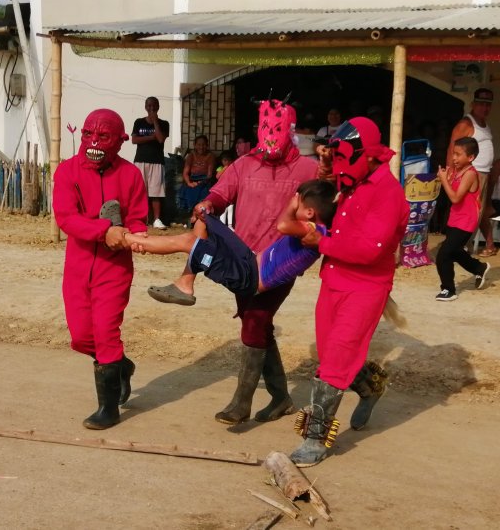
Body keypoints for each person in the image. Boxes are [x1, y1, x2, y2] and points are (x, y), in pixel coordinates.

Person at [289, 117, 408, 468]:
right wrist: (326, 173)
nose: (339, 165)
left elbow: (371, 249)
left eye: (343, 158)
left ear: (368, 156)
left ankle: (315, 439)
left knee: (337, 358)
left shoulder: (389, 193)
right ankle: (371, 386)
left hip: (366, 287)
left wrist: (322, 242)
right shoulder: (349, 184)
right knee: (330, 355)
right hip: (334, 280)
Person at [191, 99, 318, 426]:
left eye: (277, 129)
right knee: (257, 323)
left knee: (255, 319)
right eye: (265, 129)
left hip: (281, 260)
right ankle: (281, 398)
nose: (271, 136)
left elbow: (322, 210)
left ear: (290, 130)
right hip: (243, 260)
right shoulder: (244, 164)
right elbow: (221, 194)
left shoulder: (309, 170)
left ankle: (241, 402)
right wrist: (208, 203)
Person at [53, 109, 148, 429]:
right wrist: (103, 230)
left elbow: (137, 217)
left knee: (106, 332)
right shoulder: (67, 172)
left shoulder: (130, 175)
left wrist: (137, 234)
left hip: (115, 268)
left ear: (120, 141)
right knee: (82, 336)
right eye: (88, 134)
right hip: (78, 266)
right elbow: (66, 217)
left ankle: (108, 409)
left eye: (103, 136)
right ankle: (121, 365)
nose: (93, 142)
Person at [140, 179, 335, 305]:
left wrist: (292, 205)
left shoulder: (314, 230)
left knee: (188, 241)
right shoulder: (315, 229)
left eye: (298, 204)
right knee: (204, 217)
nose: (293, 204)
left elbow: (283, 226)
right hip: (250, 261)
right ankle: (185, 282)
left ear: (310, 212)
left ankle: (130, 239)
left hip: (249, 277)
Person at [434, 137, 489, 301]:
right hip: (455, 218)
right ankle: (479, 267)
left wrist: (445, 180)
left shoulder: (470, 174)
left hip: (466, 220)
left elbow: (455, 198)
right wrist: (445, 179)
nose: (454, 158)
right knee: (455, 251)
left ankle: (448, 289)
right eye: (453, 154)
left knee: (443, 254)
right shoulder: (457, 172)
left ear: (470, 157)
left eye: (458, 154)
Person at [450, 88, 495, 250]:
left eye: (488, 104)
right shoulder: (466, 124)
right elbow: (453, 148)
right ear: (473, 104)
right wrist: (452, 173)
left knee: (478, 213)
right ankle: (459, 246)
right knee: (468, 213)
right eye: (481, 104)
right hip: (470, 175)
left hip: (483, 174)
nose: (485, 108)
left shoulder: (484, 124)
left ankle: (463, 246)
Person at [132, 96, 169, 229]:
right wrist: (151, 137)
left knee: (156, 192)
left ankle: (156, 219)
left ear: (158, 107)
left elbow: (160, 139)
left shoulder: (164, 124)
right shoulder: (139, 122)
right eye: (149, 105)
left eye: (154, 105)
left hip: (157, 161)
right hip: (140, 160)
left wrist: (155, 122)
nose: (151, 108)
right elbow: (134, 140)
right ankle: (141, 218)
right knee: (139, 191)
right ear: (145, 107)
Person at [178, 135, 216, 212]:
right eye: (199, 144)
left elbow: (209, 175)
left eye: (203, 144)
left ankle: (199, 212)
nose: (201, 147)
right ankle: (189, 211)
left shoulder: (210, 156)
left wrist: (200, 183)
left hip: (205, 181)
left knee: (203, 192)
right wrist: (189, 183)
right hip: (192, 180)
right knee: (186, 190)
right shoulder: (191, 155)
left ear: (207, 145)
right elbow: (185, 173)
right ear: (194, 145)